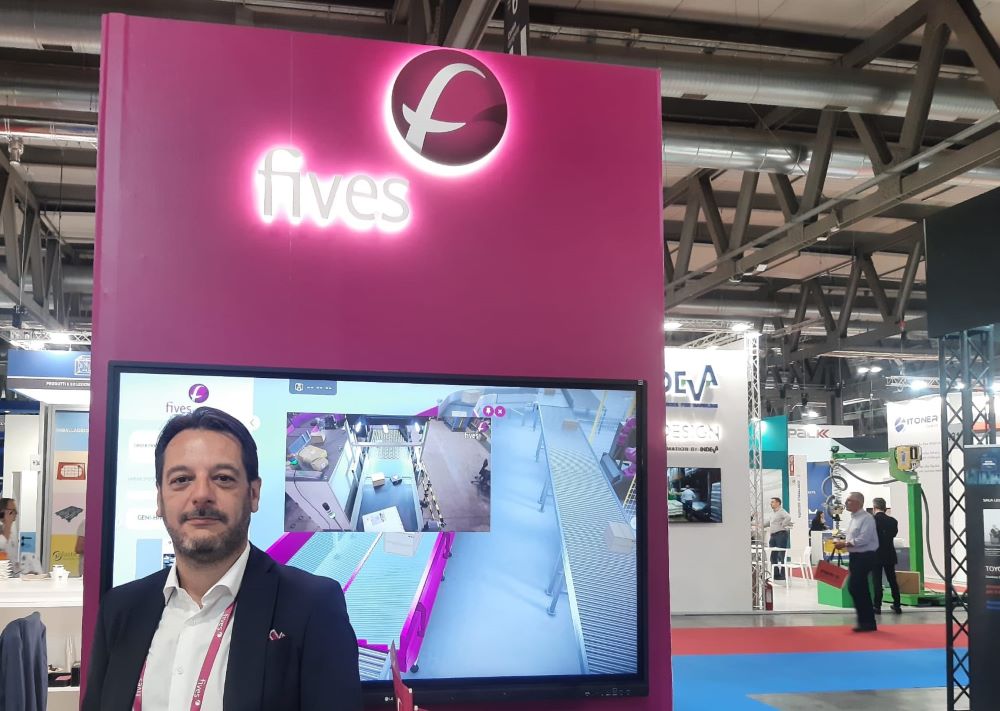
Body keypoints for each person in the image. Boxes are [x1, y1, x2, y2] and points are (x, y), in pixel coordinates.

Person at [84, 406, 361, 711]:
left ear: (253, 494)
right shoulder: (120, 609)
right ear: (160, 498)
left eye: (223, 478)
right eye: (181, 479)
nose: (201, 494)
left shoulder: (312, 606)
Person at [834, 491, 880, 632]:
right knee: (858, 588)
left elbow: (864, 539)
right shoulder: (854, 518)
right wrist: (843, 541)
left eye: (849, 500)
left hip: (865, 556)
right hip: (856, 556)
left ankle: (867, 621)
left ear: (858, 503)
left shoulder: (867, 518)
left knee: (856, 586)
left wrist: (845, 544)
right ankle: (866, 621)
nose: (846, 503)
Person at [871, 497, 902, 615]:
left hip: (875, 554)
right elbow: (893, 534)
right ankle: (897, 605)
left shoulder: (871, 520)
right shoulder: (893, 521)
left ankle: (877, 606)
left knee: (877, 581)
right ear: (884, 508)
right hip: (889, 553)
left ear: (874, 507)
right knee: (892, 580)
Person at [764, 497, 792, 580]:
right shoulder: (773, 513)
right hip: (773, 536)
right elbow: (768, 523)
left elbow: (788, 517)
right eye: (771, 502)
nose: (771, 503)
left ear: (778, 503)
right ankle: (775, 574)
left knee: (781, 555)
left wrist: (783, 524)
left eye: (773, 502)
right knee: (773, 555)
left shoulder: (781, 511)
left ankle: (783, 575)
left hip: (781, 535)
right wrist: (759, 524)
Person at [0, 498, 19, 565]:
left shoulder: (12, 532)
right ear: (3, 512)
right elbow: (1, 545)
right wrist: (8, 523)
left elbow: (12, 557)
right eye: (13, 510)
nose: (16, 513)